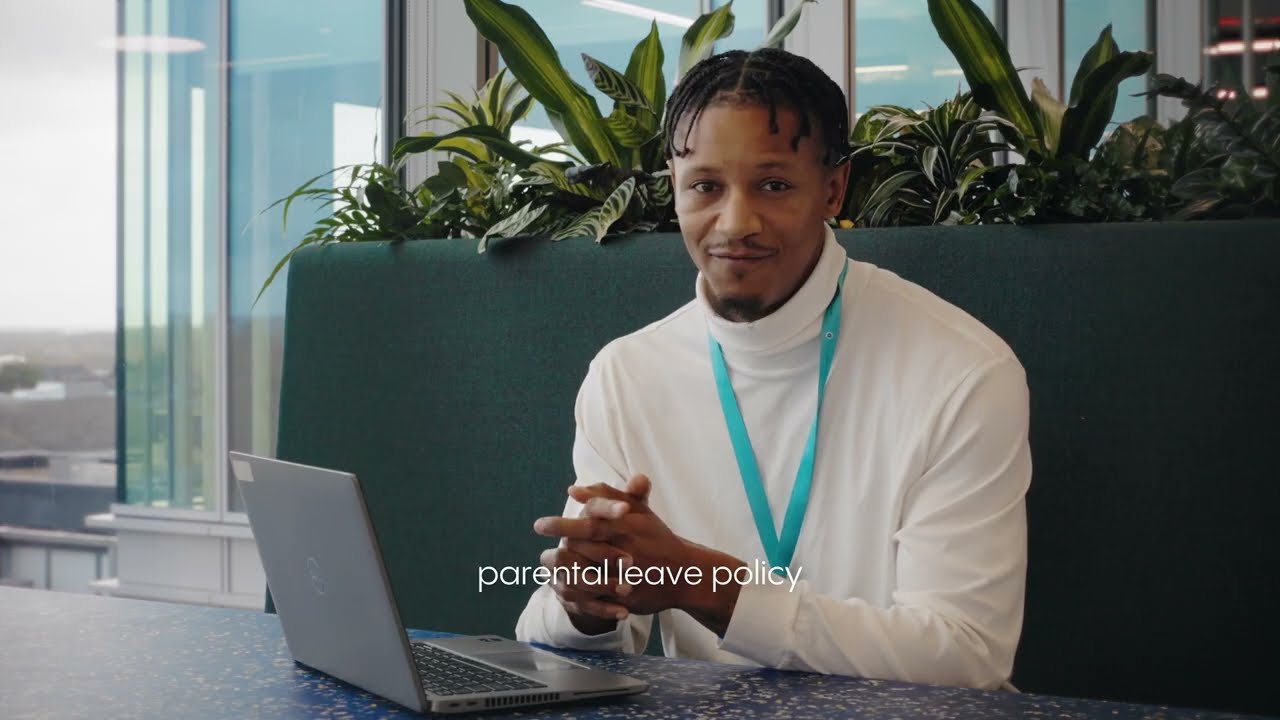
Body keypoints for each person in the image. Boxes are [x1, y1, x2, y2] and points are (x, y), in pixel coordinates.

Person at [514, 47, 1031, 691]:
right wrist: (582, 606)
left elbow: (965, 657)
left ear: (834, 189)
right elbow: (560, 639)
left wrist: (708, 587)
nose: (736, 223)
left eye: (774, 185)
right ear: (672, 188)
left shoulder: (962, 369)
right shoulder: (628, 373)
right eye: (705, 186)